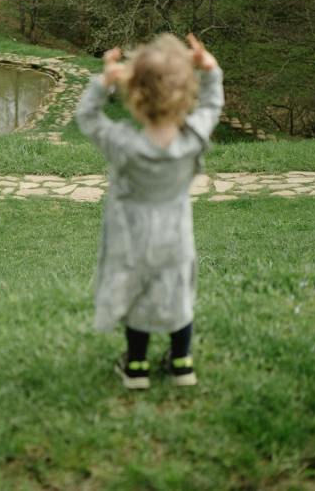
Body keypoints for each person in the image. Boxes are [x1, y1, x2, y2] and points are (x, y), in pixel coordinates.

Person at [75, 32, 223, 390]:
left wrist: (104, 81)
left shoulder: (124, 145)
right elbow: (212, 105)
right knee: (177, 291)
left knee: (137, 292)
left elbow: (88, 118)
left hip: (133, 236)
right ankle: (182, 363)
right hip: (176, 234)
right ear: (185, 93)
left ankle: (137, 366)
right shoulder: (193, 138)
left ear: (135, 96)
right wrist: (210, 69)